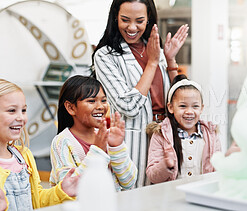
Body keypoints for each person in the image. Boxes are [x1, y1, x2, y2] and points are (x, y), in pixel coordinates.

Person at [92, 0, 189, 187]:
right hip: (134, 140)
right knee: (135, 197)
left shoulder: (155, 49)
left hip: (166, 137)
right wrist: (152, 63)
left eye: (139, 20)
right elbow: (128, 106)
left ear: (149, 19)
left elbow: (176, 98)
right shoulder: (105, 56)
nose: (132, 27)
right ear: (115, 18)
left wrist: (170, 60)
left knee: (166, 197)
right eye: (125, 20)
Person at [0, 79, 79, 210]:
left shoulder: (24, 156)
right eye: (12, 111)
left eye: (23, 110)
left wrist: (62, 191)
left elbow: (37, 200)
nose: (21, 118)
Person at [50, 75, 137, 191]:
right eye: (91, 101)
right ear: (71, 108)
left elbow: (129, 182)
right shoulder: (61, 142)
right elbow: (69, 189)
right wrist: (98, 151)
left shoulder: (107, 136)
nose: (100, 106)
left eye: (104, 100)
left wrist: (117, 147)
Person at [146, 75, 221, 183]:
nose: (189, 111)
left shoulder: (212, 135)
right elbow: (152, 176)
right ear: (171, 107)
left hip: (201, 196)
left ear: (201, 108)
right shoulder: (161, 135)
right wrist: (165, 165)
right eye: (182, 106)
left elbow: (217, 171)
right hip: (170, 196)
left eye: (195, 106)